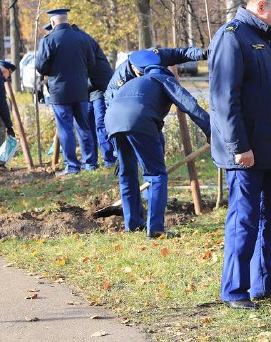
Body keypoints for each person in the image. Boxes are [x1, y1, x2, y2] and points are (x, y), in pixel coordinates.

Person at [209, 0, 271, 310]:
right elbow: (223, 99)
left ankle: (263, 282)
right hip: (244, 151)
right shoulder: (233, 37)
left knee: (270, 217)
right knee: (244, 219)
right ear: (261, 7)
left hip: (269, 150)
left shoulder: (266, 37)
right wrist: (238, 146)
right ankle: (234, 289)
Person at [104, 50, 211, 238]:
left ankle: (132, 225)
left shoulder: (133, 82)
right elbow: (190, 105)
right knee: (155, 175)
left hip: (112, 121)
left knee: (127, 173)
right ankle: (155, 229)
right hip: (139, 120)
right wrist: (211, 131)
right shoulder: (163, 79)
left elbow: (113, 104)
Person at [34, 9, 97, 175]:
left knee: (66, 128)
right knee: (84, 126)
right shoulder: (83, 37)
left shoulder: (49, 39)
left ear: (53, 23)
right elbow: (91, 62)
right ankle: (90, 163)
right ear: (67, 20)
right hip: (81, 90)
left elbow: (41, 66)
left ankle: (72, 166)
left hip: (59, 92)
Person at [104, 46, 206, 107]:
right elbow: (112, 104)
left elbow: (179, 53)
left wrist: (202, 53)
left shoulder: (156, 56)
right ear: (133, 67)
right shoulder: (121, 80)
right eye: (142, 74)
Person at [73, 25, 116, 167]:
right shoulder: (78, 39)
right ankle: (91, 161)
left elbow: (89, 65)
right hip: (88, 89)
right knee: (88, 124)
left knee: (100, 123)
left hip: (100, 87)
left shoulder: (82, 40)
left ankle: (109, 159)